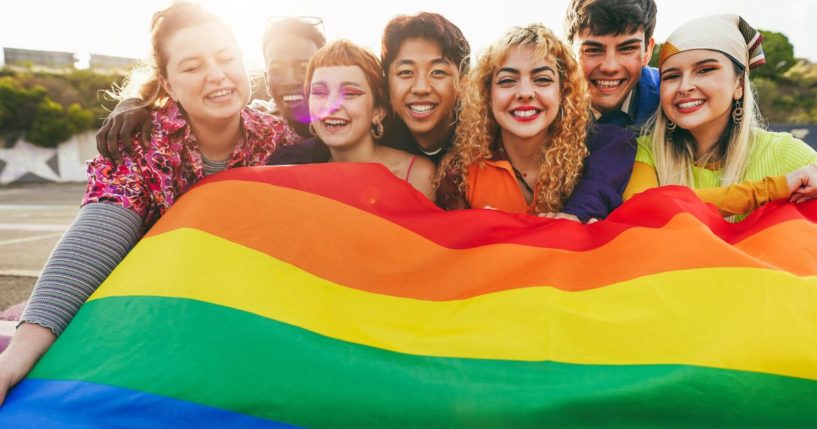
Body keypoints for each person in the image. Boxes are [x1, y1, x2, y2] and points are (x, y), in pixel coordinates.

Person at [0, 2, 296, 405]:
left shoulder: (283, 140)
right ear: (168, 84)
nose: (217, 74)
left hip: (245, 318)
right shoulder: (137, 142)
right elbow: (98, 233)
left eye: (227, 57)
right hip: (153, 316)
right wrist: (14, 359)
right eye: (192, 67)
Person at [436, 24, 634, 222]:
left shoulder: (591, 155)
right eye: (507, 80)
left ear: (563, 92)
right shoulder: (459, 174)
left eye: (542, 79)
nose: (525, 93)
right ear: (487, 94)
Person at [623, 14, 817, 216]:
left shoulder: (787, 154)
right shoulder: (645, 152)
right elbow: (644, 208)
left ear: (739, 85)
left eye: (705, 70)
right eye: (672, 76)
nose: (685, 86)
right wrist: (772, 189)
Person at [96, 16, 325, 160]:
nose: (289, 80)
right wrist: (133, 104)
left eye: (304, 66)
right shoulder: (268, 129)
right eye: (193, 67)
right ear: (266, 78)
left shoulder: (352, 125)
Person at [300, 40, 436, 200]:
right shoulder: (302, 180)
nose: (330, 105)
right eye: (320, 92)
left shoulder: (416, 175)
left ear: (378, 111)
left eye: (350, 93)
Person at [379, 12, 471, 164]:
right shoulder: (374, 142)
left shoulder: (487, 141)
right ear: (386, 83)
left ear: (463, 83)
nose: (421, 88)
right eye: (406, 72)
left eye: (438, 72)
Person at [564, 0, 659, 129]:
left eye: (627, 49)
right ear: (569, 54)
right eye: (593, 50)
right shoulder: (547, 107)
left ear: (647, 51)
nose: (610, 67)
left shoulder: (671, 102)